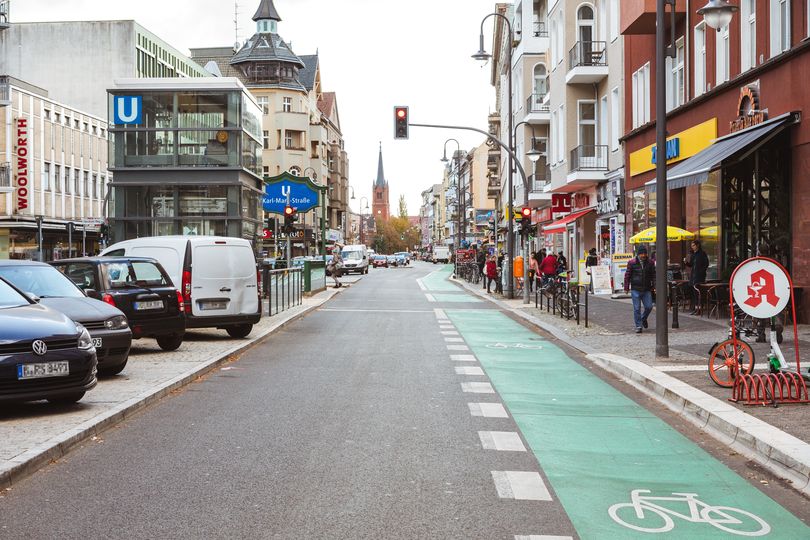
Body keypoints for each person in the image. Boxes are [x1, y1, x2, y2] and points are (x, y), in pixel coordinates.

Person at [624, 246, 656, 333]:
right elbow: (627, 275)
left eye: (645, 253)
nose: (643, 255)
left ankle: (643, 318)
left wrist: (655, 286)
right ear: (638, 254)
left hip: (646, 289)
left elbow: (654, 275)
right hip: (635, 289)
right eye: (641, 253)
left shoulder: (650, 262)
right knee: (637, 308)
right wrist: (626, 287)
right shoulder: (632, 262)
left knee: (649, 307)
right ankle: (638, 326)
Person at [685, 240, 709, 314]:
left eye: (693, 245)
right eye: (692, 246)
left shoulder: (702, 254)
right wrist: (686, 262)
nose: (692, 247)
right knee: (694, 293)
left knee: (698, 293)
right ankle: (696, 309)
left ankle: (699, 309)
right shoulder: (693, 255)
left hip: (699, 277)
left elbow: (706, 264)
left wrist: (701, 272)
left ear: (697, 245)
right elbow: (691, 265)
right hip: (693, 276)